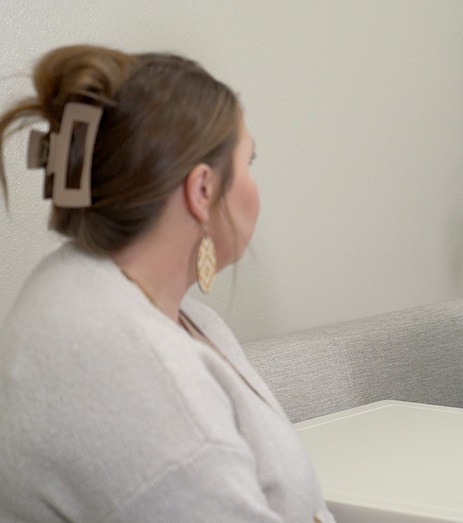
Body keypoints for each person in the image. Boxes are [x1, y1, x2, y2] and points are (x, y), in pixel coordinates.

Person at [0, 46, 335, 522]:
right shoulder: (137, 379)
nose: (254, 186)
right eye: (249, 162)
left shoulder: (79, 288)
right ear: (202, 190)